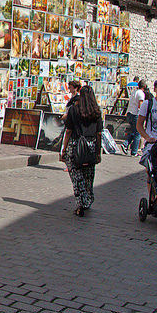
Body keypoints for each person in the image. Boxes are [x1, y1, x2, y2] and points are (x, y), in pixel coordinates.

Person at [60, 85, 103, 216]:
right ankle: (88, 199)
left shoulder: (74, 110)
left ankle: (81, 202)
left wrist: (64, 149)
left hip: (75, 145)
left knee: (77, 176)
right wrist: (98, 152)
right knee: (89, 175)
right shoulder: (96, 111)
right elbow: (99, 133)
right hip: (91, 145)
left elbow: (68, 130)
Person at [125, 80, 148, 156]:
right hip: (135, 114)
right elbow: (140, 105)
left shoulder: (134, 92)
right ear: (144, 86)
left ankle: (125, 144)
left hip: (130, 113)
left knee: (134, 132)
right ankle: (134, 151)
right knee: (138, 133)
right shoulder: (141, 93)